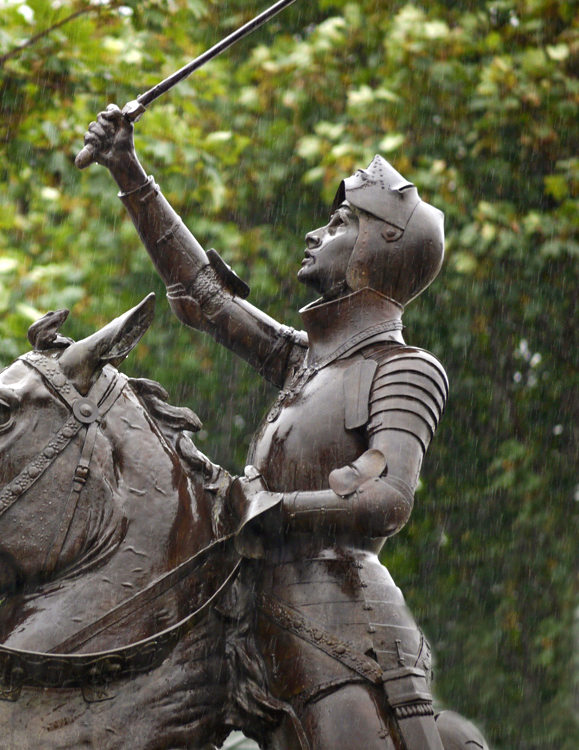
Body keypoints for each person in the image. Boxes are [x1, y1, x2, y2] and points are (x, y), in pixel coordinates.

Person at [82, 105, 489, 750]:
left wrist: (267, 508)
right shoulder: (306, 359)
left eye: (339, 222)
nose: (315, 233)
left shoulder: (405, 369)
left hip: (339, 638)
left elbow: (387, 500)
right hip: (239, 616)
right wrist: (128, 169)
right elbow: (204, 296)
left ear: (377, 246)